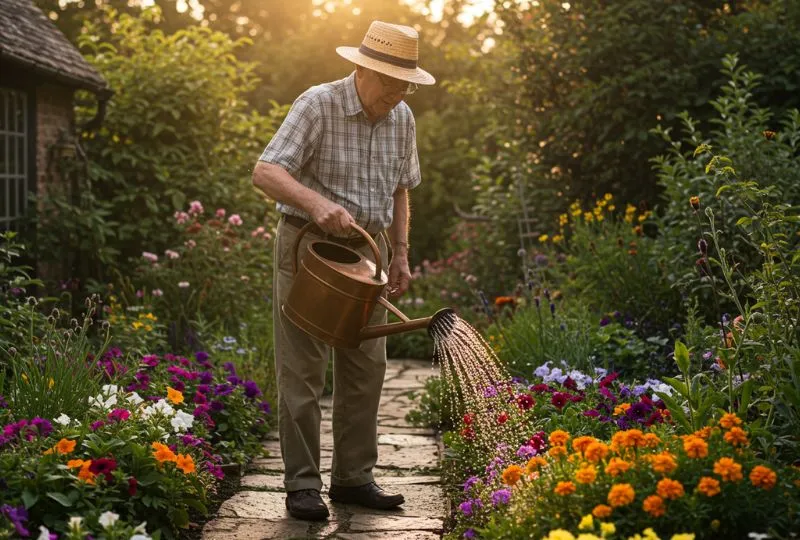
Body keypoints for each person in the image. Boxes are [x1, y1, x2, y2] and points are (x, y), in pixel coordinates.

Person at [252, 20, 435, 521]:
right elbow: (265, 171)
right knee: (302, 369)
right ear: (362, 68)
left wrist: (399, 252)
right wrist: (316, 204)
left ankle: (353, 478)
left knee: (366, 367)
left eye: (405, 85)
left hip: (368, 252)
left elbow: (402, 188)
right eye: (391, 83)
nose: (398, 94)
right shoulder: (317, 103)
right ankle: (303, 485)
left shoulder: (403, 118)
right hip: (308, 247)